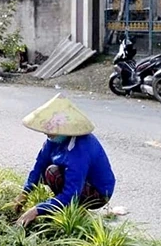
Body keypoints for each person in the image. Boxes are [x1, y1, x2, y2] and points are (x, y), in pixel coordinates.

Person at [14, 94, 116, 227]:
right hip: (79, 182)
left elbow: (71, 192)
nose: (47, 134)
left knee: (54, 175)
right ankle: (64, 206)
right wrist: (25, 193)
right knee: (49, 172)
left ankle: (75, 210)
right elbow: (39, 166)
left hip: (99, 192)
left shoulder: (80, 149)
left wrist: (37, 210)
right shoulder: (53, 140)